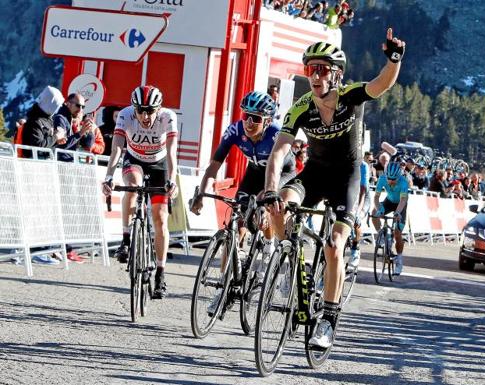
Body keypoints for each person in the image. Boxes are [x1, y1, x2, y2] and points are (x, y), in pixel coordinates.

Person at [263, 28, 405, 349]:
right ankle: (286, 257)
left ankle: (327, 319)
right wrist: (271, 189)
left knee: (333, 244)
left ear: (336, 75)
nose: (314, 75)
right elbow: (280, 152)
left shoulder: (350, 95)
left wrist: (394, 58)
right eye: (310, 69)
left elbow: (381, 84)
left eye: (322, 69)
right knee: (280, 203)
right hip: (315, 173)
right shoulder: (301, 106)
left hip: (347, 177)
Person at [189, 91, 296, 288]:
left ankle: (268, 245)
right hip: (254, 172)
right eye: (245, 115)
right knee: (236, 221)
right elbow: (214, 165)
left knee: (265, 207)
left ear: (267, 121)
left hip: (281, 174)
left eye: (255, 118)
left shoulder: (276, 135)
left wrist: (265, 201)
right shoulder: (235, 130)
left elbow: (274, 175)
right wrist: (202, 194)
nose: (249, 122)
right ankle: (224, 282)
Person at [102, 85, 178, 299]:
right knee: (133, 185)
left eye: (150, 111)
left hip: (159, 165)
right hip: (134, 160)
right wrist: (109, 175)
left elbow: (172, 152)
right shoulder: (126, 115)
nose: (145, 116)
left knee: (160, 218)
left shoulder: (167, 117)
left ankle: (160, 274)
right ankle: (126, 239)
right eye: (140, 110)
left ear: (159, 109)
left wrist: (172, 180)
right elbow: (117, 147)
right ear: (133, 108)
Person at [372, 161, 408, 274]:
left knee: (397, 233)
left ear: (399, 177)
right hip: (389, 201)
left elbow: (403, 200)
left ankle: (399, 260)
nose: (391, 182)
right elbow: (376, 198)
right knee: (374, 213)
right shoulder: (382, 178)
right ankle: (382, 236)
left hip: (400, 205)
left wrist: (397, 213)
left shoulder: (403, 182)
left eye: (394, 180)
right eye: (389, 179)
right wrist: (380, 209)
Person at [20, 86, 66, 159]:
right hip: (32, 163)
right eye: (57, 106)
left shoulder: (46, 118)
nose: (56, 110)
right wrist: (56, 137)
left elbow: (45, 142)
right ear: (52, 104)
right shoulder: (35, 120)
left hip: (42, 160)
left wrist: (56, 141)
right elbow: (38, 145)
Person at [53, 93, 96, 162]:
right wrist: (80, 133)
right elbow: (60, 145)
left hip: (70, 162)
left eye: (83, 107)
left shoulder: (71, 119)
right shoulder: (60, 118)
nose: (81, 110)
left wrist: (90, 132)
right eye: (78, 106)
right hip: (61, 163)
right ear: (68, 104)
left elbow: (86, 144)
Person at [349, 158, 371, 267]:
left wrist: (357, 212)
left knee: (356, 220)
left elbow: (362, 191)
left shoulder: (363, 166)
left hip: (363, 197)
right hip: (350, 194)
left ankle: (355, 249)